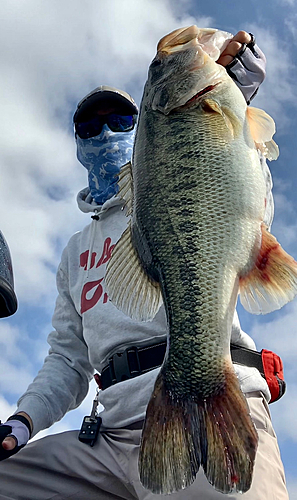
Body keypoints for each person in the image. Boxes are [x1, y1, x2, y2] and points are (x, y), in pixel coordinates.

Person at [0, 31, 289, 499]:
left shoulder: (170, 176)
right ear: (77, 145)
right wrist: (23, 418)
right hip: (108, 436)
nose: (104, 132)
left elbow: (247, 209)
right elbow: (67, 359)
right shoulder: (75, 252)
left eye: (118, 119)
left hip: (208, 402)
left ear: (142, 131)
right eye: (90, 128)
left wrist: (237, 118)